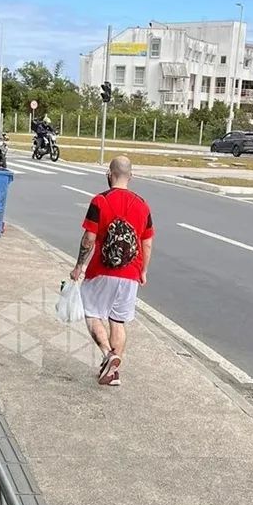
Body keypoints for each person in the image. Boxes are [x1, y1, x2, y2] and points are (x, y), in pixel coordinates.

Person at [70, 155, 154, 387]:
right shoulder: (142, 204)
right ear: (131, 176)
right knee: (118, 321)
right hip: (130, 274)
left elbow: (89, 238)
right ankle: (112, 373)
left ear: (109, 174)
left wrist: (79, 266)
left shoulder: (100, 201)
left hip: (101, 271)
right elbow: (146, 243)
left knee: (92, 313)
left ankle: (108, 354)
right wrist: (143, 271)